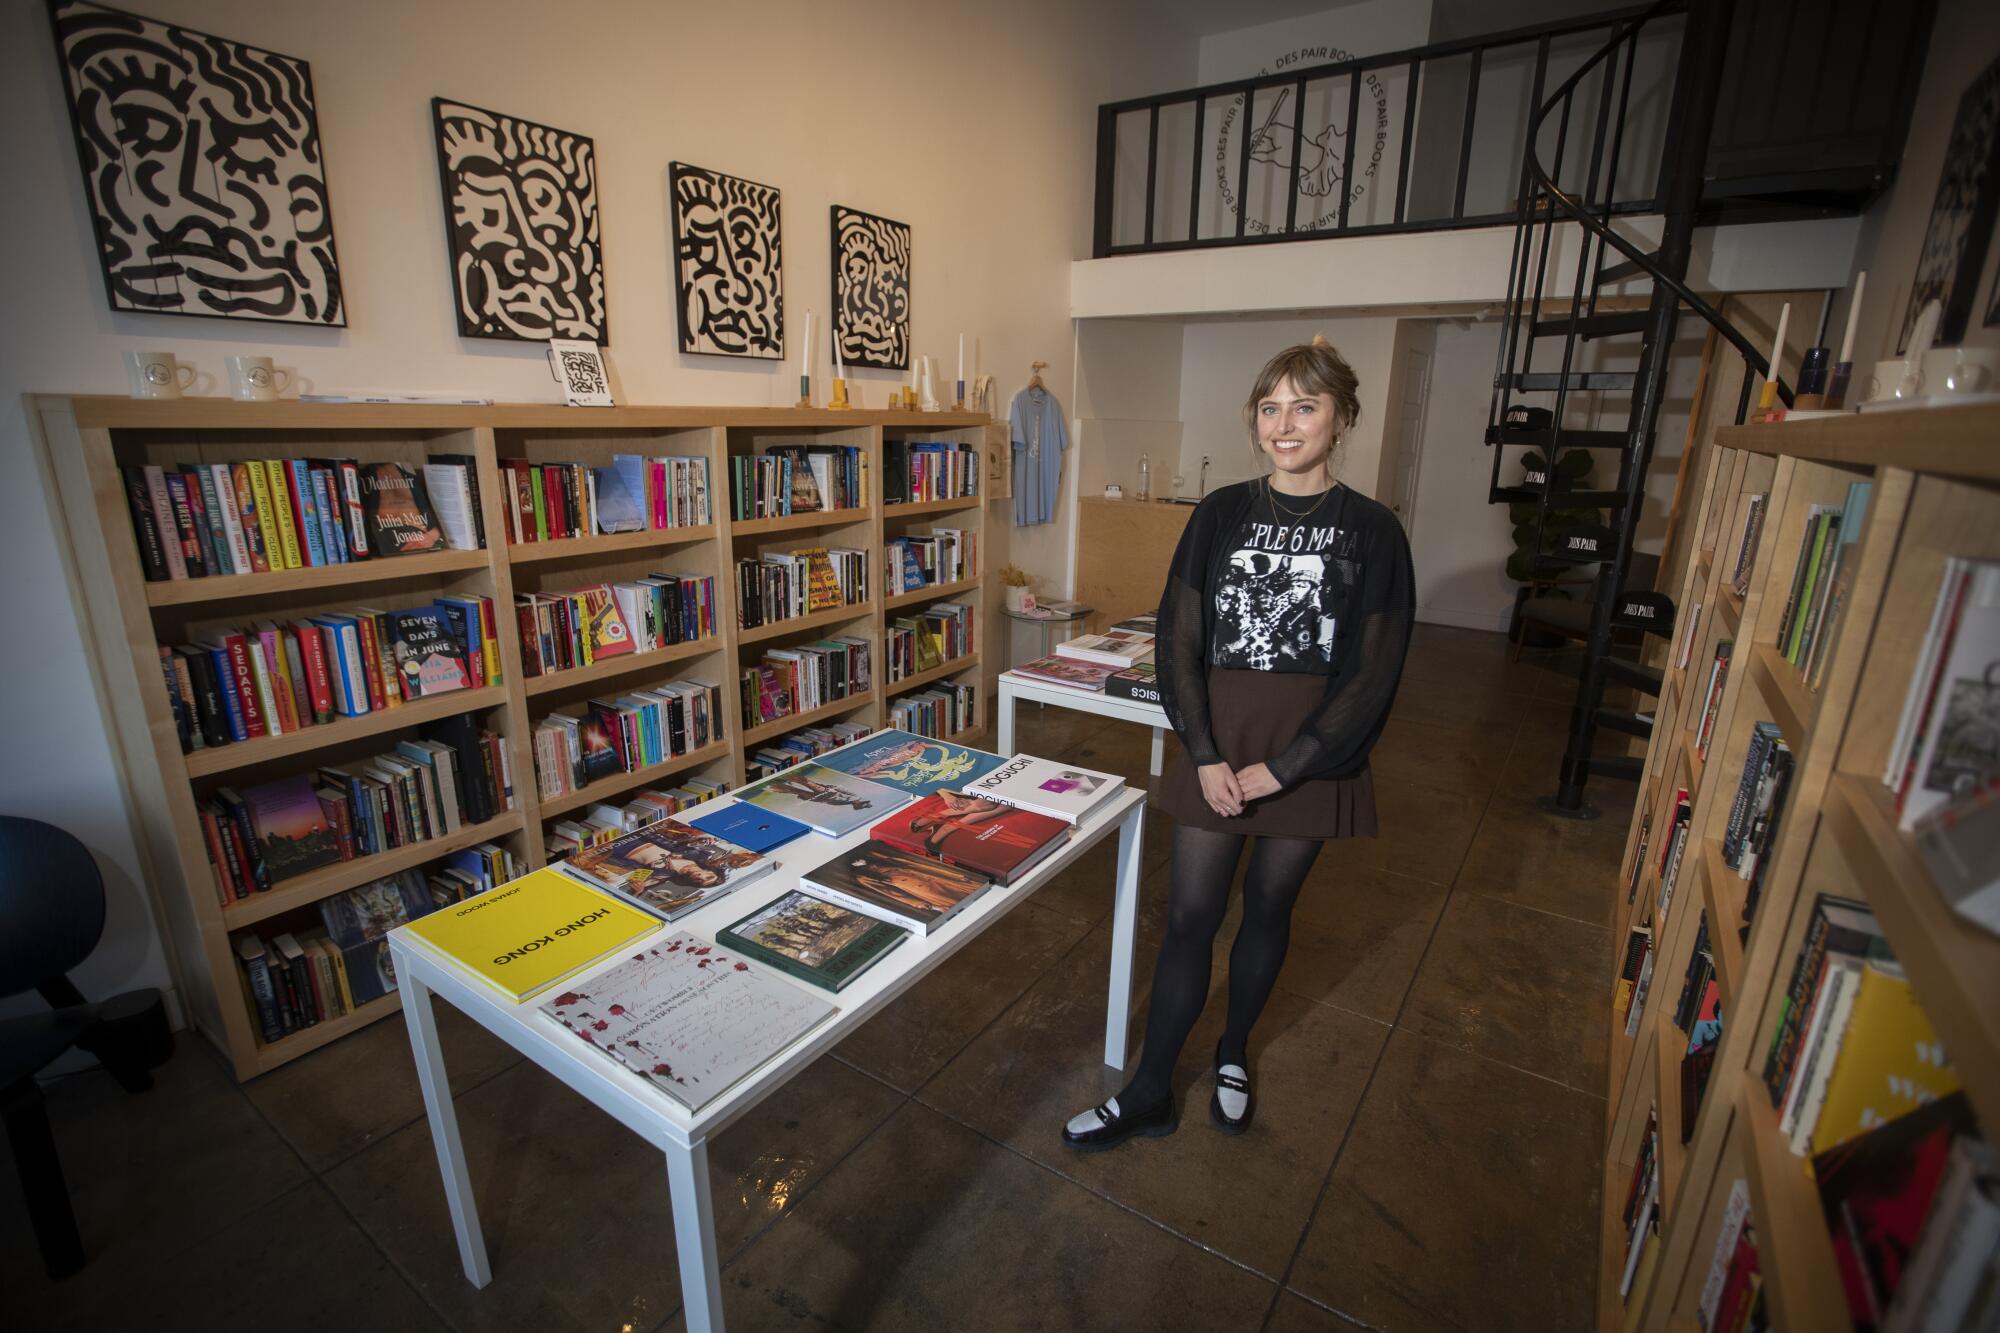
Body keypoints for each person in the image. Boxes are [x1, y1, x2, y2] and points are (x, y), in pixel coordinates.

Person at [1063, 337, 1414, 1152]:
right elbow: (1176, 640)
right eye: (1270, 407)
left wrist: (1284, 768)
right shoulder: (1221, 511)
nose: (1284, 424)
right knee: (1189, 914)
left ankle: (1232, 1052)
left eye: (1305, 405)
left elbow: (1375, 672)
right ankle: (1151, 1087)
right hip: (1221, 743)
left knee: (1267, 908)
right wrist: (1209, 753)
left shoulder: (1373, 531)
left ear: (1341, 417)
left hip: (1311, 753)